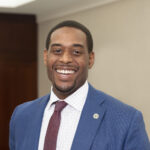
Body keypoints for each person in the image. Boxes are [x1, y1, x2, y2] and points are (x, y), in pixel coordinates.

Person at [9, 20, 150, 150]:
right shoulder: (22, 116)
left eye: (76, 52)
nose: (65, 59)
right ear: (46, 57)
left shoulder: (126, 120)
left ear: (90, 59)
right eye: (57, 51)